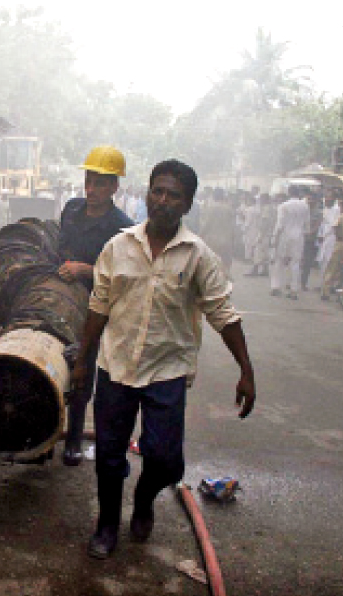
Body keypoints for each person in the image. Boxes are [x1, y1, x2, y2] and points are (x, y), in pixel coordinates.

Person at [71, 159, 255, 559]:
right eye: (158, 191)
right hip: (116, 366)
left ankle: (143, 499)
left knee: (165, 460)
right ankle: (106, 524)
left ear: (187, 204)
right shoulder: (118, 247)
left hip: (166, 371)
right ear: (147, 194)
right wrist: (82, 359)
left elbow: (223, 313)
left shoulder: (197, 256)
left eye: (174, 195)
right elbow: (99, 305)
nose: (163, 201)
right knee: (107, 455)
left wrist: (246, 370)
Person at [57, 145, 133, 467]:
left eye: (101, 183)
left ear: (115, 186)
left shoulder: (122, 227)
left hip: (96, 308)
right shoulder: (71, 210)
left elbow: (124, 278)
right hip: (63, 299)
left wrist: (85, 270)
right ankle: (47, 426)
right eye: (89, 180)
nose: (92, 189)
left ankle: (73, 436)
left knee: (82, 369)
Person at [270, 184, 309, 300]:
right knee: (295, 263)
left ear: (289, 193)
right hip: (299, 236)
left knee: (279, 261)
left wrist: (274, 239)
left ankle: (276, 287)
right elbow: (307, 225)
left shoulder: (283, 206)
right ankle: (294, 290)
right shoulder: (305, 206)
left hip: (285, 236)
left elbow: (279, 225)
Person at [200, 187, 235, 276]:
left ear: (214, 196)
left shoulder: (211, 208)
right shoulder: (229, 208)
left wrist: (200, 236)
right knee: (225, 263)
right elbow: (232, 226)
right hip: (226, 240)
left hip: (212, 240)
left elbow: (206, 225)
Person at [245, 193, 275, 277]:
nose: (260, 201)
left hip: (263, 233)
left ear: (264, 200)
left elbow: (264, 223)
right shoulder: (272, 208)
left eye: (261, 199)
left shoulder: (266, 209)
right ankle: (265, 270)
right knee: (265, 253)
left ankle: (255, 270)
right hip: (269, 233)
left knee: (258, 252)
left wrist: (260, 235)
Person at [317, 191, 341, 288]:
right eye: (326, 197)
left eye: (329, 197)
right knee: (322, 261)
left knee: (329, 261)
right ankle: (322, 284)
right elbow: (322, 223)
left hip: (332, 237)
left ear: (334, 199)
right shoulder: (326, 209)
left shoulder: (337, 210)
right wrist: (320, 234)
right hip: (324, 237)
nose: (327, 199)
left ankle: (327, 285)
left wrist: (324, 235)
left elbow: (333, 225)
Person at [300, 191, 323, 291]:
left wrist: (309, 232)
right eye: (308, 199)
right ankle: (294, 282)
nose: (309, 201)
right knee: (297, 261)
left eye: (311, 199)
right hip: (300, 239)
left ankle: (303, 283)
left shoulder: (318, 213)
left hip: (310, 240)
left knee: (307, 263)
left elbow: (317, 225)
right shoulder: (302, 210)